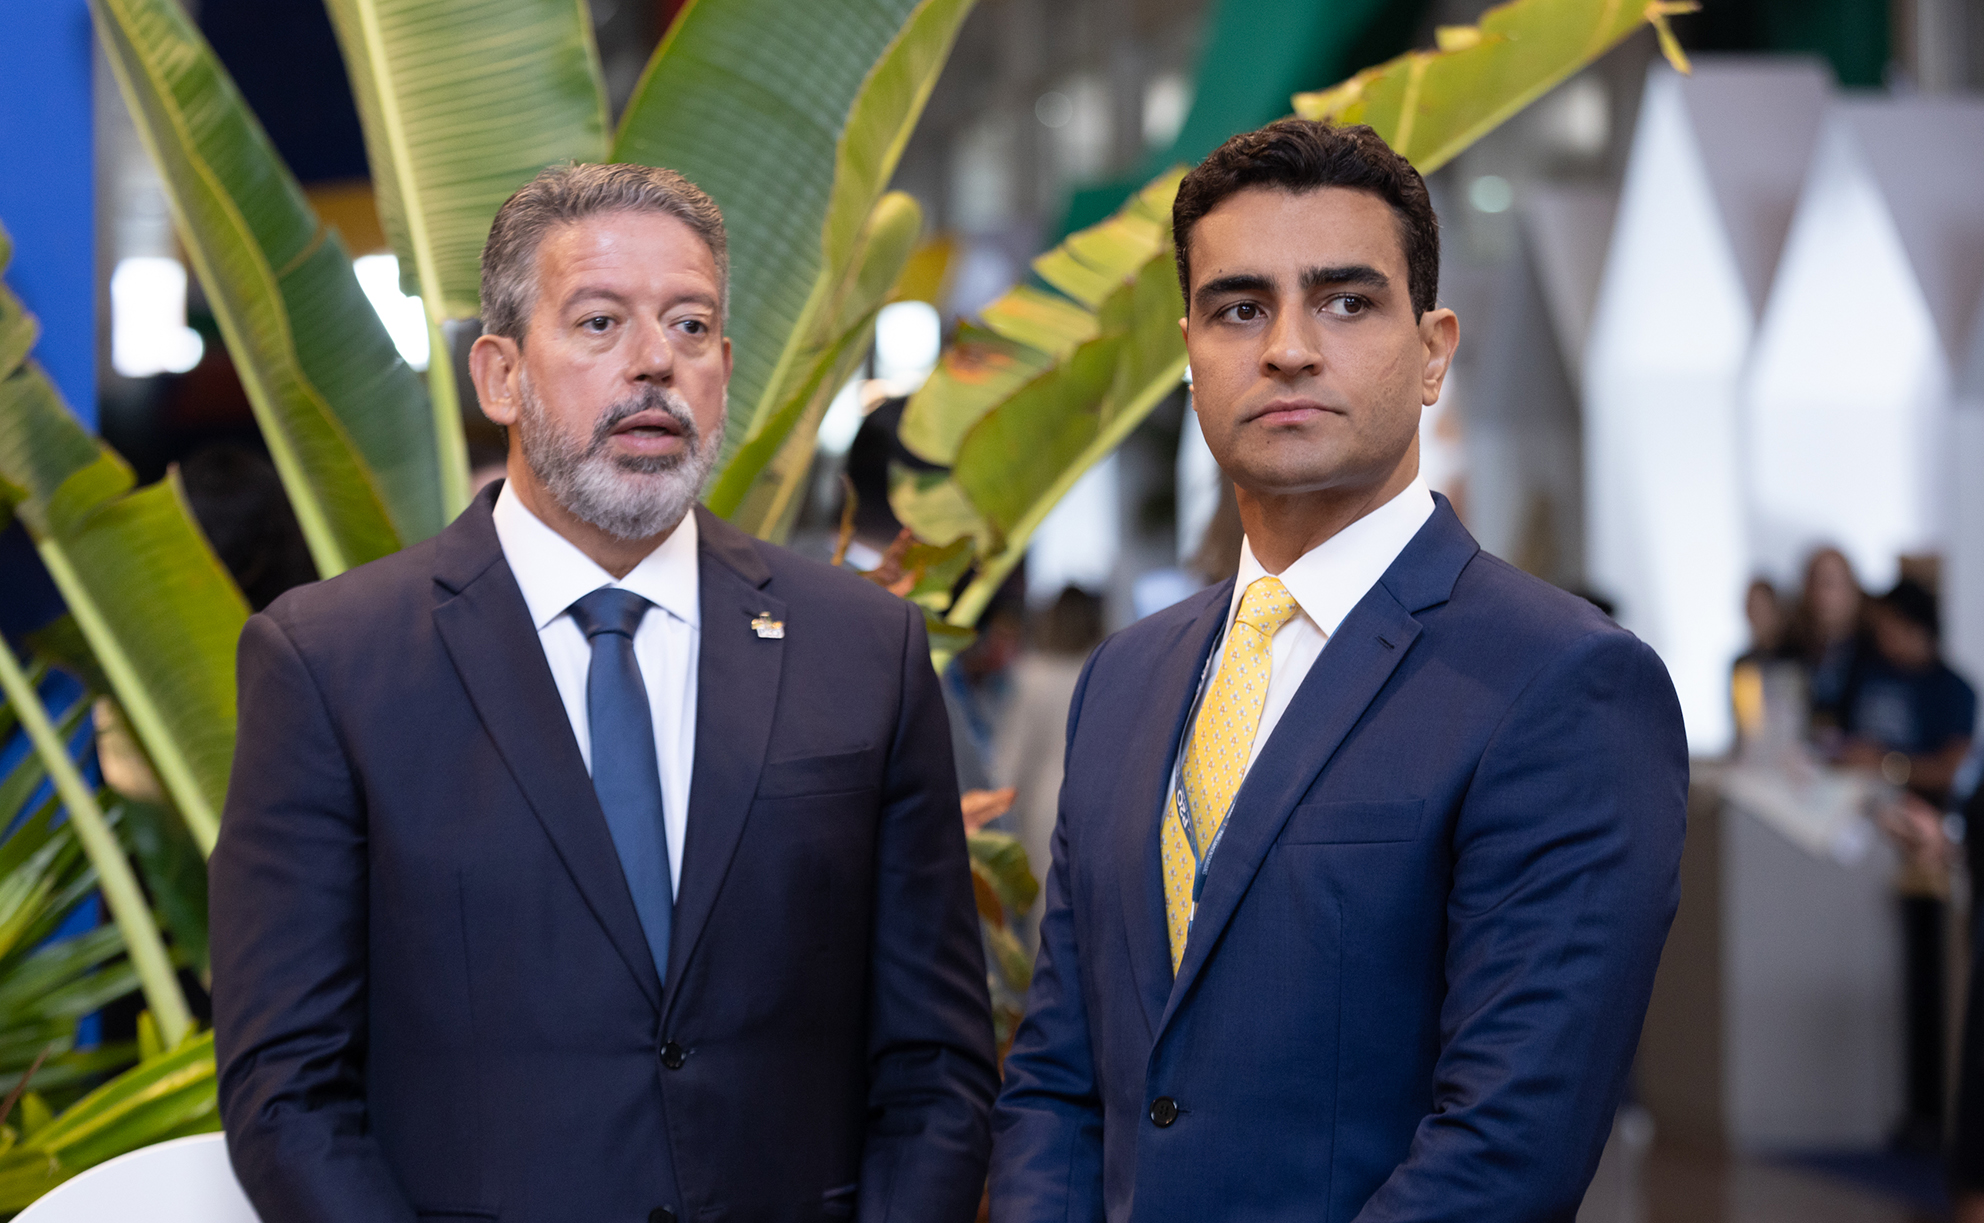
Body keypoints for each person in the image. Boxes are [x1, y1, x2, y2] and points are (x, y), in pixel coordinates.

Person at [210, 163, 997, 1223]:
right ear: (500, 376)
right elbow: (288, 1092)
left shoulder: (861, 648)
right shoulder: (332, 663)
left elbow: (937, 1066)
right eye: (598, 322)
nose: (654, 361)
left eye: (690, 325)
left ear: (725, 370)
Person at [989, 119, 1688, 1222]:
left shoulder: (1565, 683)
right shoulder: (1122, 679)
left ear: (1433, 352)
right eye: (1239, 308)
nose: (1288, 348)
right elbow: (1056, 1077)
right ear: (1189, 352)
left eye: (1346, 302)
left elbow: (1507, 1146)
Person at [1786, 546, 1865, 734]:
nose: (1821, 593)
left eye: (1829, 583)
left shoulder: (1876, 652)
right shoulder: (1790, 650)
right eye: (1814, 582)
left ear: (1851, 588)